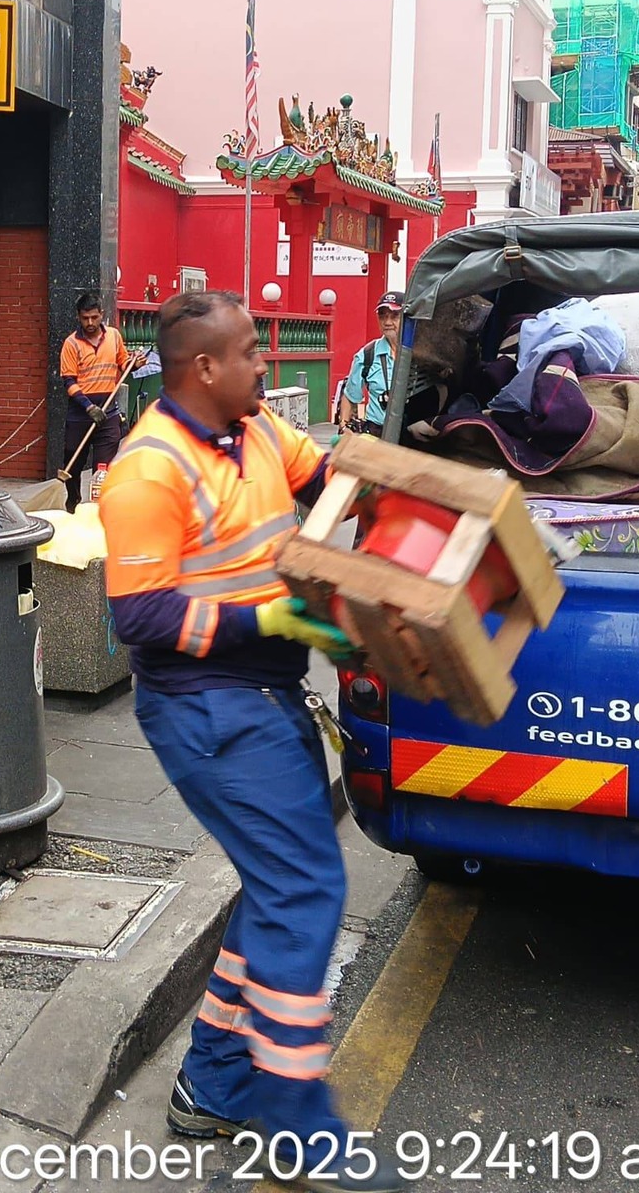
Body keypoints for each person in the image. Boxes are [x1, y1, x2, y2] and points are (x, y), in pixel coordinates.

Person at [99, 290, 402, 1193]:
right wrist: (273, 613)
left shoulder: (262, 430)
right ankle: (298, 1125)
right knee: (305, 888)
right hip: (207, 708)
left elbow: (329, 483)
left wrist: (412, 486)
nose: (266, 366)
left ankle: (214, 1084)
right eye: (249, 354)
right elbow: (141, 617)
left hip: (269, 691)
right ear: (202, 369)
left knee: (276, 888)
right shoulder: (145, 471)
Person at [58, 292, 130, 510]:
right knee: (73, 461)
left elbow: (123, 362)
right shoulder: (71, 344)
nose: (90, 323)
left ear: (102, 315)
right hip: (81, 412)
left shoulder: (114, 337)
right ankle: (73, 501)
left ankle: (100, 507)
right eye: (85, 318)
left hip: (108, 411)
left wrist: (133, 363)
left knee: (103, 467)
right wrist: (88, 407)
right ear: (79, 317)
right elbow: (69, 381)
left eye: (94, 317)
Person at [339, 291, 403, 435]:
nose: (387, 322)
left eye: (394, 316)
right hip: (377, 432)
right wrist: (344, 427)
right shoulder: (367, 354)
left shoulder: (419, 353)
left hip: (411, 436)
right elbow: (350, 396)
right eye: (382, 316)